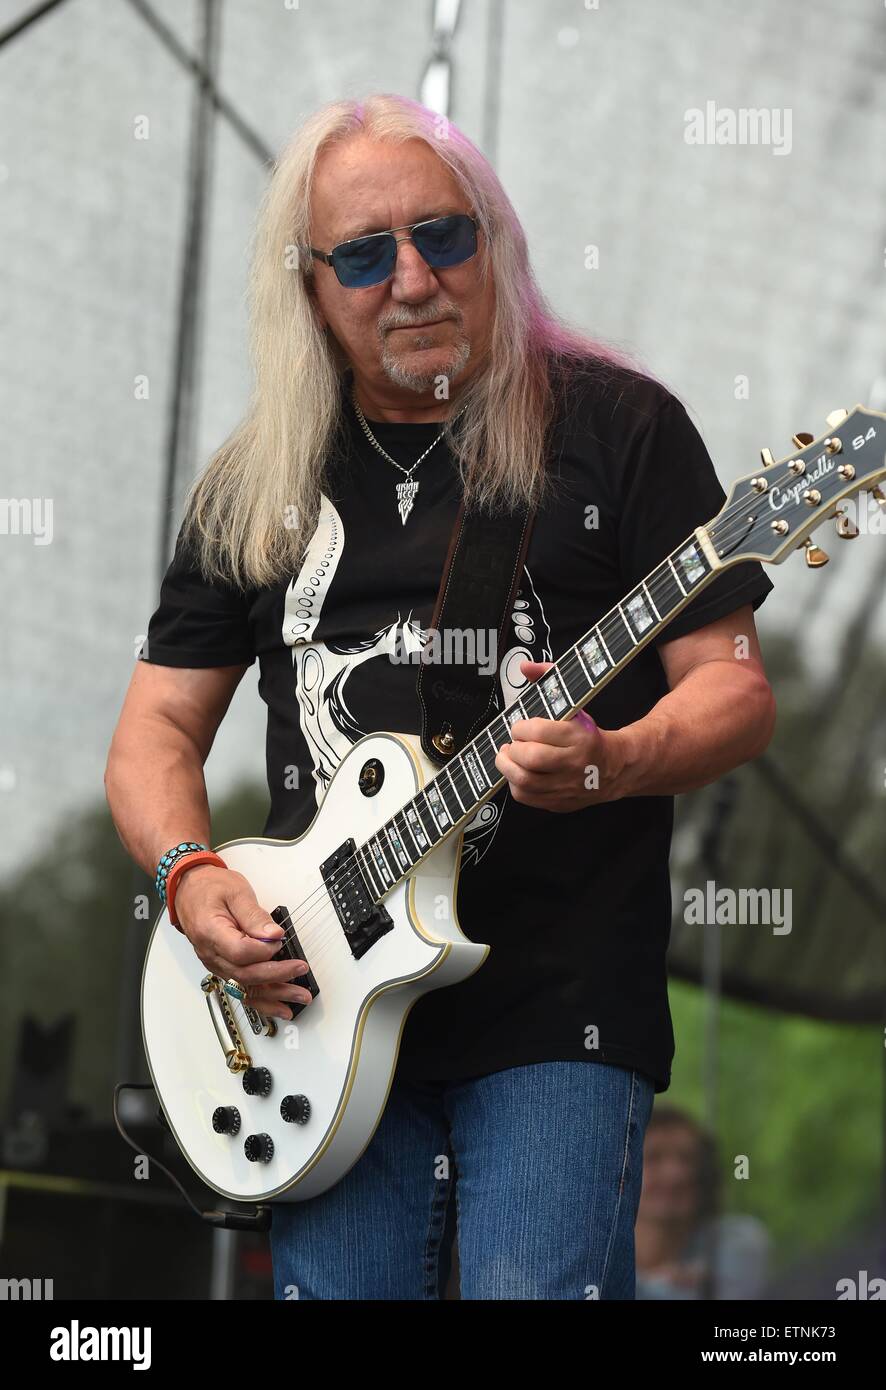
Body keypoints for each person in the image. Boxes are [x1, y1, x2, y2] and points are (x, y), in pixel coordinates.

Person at [105, 93, 776, 1300]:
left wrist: (612, 759)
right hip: (313, 1011)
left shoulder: (618, 431)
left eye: (442, 236)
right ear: (308, 287)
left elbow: (730, 691)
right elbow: (154, 730)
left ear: (495, 245)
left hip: (556, 1006)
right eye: (362, 255)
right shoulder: (256, 485)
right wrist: (189, 876)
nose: (411, 277)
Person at [635, 1106, 772, 1299]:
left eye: (687, 1159)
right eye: (653, 1158)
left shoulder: (736, 1241)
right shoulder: (595, 1251)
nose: (675, 1174)